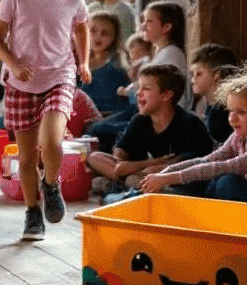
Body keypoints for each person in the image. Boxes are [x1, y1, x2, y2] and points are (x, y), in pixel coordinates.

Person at [0, 0, 90, 241]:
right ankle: (33, 213)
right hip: (22, 83)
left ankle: (51, 184)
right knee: (27, 157)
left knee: (52, 143)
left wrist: (83, 62)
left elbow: (82, 28)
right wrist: (13, 64)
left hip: (59, 75)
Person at [87, 65, 213, 201]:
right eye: (139, 88)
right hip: (141, 171)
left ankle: (120, 187)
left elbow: (187, 165)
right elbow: (119, 157)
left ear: (167, 95)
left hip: (176, 181)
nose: (138, 93)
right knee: (94, 157)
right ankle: (126, 187)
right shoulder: (141, 120)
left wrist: (143, 167)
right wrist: (150, 162)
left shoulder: (189, 123)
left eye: (146, 89)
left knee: (142, 175)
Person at [141, 63, 247, 203]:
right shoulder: (239, 137)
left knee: (226, 181)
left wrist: (168, 178)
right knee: (209, 177)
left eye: (241, 112)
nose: (232, 118)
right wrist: (165, 173)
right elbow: (209, 160)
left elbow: (229, 166)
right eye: (230, 111)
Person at [189, 44, 241, 144]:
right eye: (192, 74)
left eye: (198, 74)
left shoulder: (225, 112)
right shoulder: (210, 107)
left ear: (217, 75)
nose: (193, 80)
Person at [80, 13, 131, 115]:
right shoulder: (79, 62)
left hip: (107, 117)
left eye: (105, 33)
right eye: (93, 31)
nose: (98, 36)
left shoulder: (118, 65)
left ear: (113, 39)